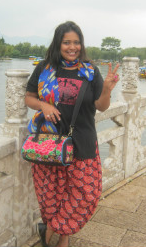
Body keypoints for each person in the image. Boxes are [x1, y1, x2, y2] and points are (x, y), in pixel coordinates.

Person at [25, 21, 119, 247]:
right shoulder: (45, 68)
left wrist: (106, 89)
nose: (72, 47)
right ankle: (62, 239)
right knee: (51, 196)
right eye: (67, 42)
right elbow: (28, 98)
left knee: (86, 195)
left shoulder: (89, 71)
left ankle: (49, 232)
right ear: (58, 43)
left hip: (82, 143)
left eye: (76, 42)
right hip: (49, 143)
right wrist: (43, 106)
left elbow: (102, 106)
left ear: (81, 45)